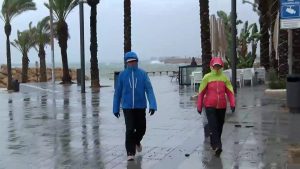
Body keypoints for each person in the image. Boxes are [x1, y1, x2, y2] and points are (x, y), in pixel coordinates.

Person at [113, 51, 157, 161]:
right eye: (129, 62)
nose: (132, 64)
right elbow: (117, 92)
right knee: (130, 129)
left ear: (137, 62)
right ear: (126, 63)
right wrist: (115, 108)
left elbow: (149, 90)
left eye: (133, 61)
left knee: (142, 128)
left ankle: (137, 141)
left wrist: (152, 105)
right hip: (127, 107)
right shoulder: (122, 75)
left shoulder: (143, 74)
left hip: (140, 106)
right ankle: (130, 152)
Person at [197, 57, 235, 156]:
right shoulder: (207, 77)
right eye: (215, 66)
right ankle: (218, 145)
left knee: (219, 126)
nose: (217, 68)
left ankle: (214, 144)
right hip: (210, 106)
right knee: (213, 125)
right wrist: (199, 106)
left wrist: (232, 104)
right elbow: (201, 92)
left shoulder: (224, 78)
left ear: (221, 66)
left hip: (222, 106)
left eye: (219, 66)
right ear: (212, 66)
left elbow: (230, 92)